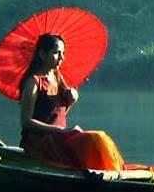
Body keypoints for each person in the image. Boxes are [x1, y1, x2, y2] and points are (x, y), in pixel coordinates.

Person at [19, 32, 125, 173]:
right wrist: (61, 131)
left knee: (101, 137)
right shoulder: (33, 82)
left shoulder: (57, 76)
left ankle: (114, 172)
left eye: (63, 53)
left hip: (59, 138)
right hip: (40, 142)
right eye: (56, 53)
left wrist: (71, 100)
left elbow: (58, 114)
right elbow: (26, 122)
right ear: (42, 54)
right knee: (94, 138)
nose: (61, 58)